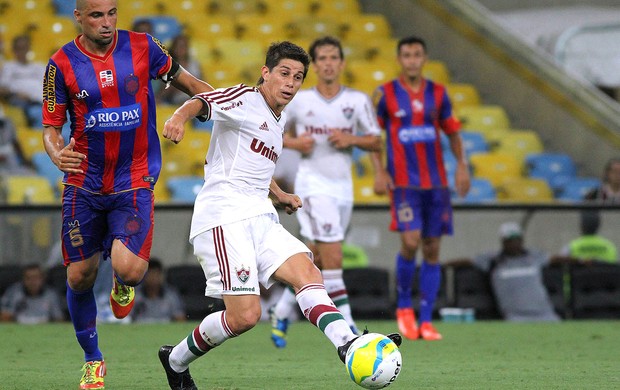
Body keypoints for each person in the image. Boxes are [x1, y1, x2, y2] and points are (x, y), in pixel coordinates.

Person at [157, 41, 401, 389]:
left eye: (298, 77)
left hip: (260, 214)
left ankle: (347, 345)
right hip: (223, 216)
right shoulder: (244, 98)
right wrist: (178, 117)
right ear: (266, 73)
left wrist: (280, 194)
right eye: (284, 73)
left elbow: (255, 163)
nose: (290, 82)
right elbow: (204, 100)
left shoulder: (279, 118)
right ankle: (176, 360)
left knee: (308, 270)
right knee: (245, 318)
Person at [40, 1, 213, 389]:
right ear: (79, 17)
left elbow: (189, 82)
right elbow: (51, 127)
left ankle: (121, 282)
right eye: (97, 15)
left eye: (112, 13)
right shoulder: (60, 65)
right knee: (80, 277)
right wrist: (55, 153)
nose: (107, 22)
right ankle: (93, 359)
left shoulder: (143, 47)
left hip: (133, 177)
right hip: (83, 182)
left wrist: (221, 104)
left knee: (132, 270)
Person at [268, 36, 382, 348]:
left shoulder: (356, 101)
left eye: (334, 57)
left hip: (343, 187)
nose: (329, 63)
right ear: (315, 66)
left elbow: (376, 140)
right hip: (312, 186)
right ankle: (350, 332)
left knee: (315, 256)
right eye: (323, 59)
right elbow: (273, 130)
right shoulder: (301, 100)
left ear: (342, 63)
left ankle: (281, 310)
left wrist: (351, 140)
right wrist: (294, 143)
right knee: (333, 259)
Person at [371, 35, 470, 340]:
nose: (412, 60)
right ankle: (403, 307)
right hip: (403, 184)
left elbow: (452, 133)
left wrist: (462, 165)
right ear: (399, 59)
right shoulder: (385, 94)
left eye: (417, 55)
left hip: (436, 185)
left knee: (432, 249)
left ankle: (425, 319)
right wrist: (379, 171)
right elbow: (374, 137)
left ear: (424, 58)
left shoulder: (439, 94)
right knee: (411, 242)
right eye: (407, 55)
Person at [448, 222, 563, 322]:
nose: (514, 243)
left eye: (517, 239)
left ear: (522, 239)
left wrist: (579, 260)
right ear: (503, 241)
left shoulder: (534, 256)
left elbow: (555, 259)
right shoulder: (493, 260)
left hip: (546, 314)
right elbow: (468, 261)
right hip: (516, 317)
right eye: (510, 240)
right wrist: (437, 265)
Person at [0, 35, 47, 126]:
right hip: (25, 102)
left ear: (28, 48)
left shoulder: (39, 67)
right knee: (39, 114)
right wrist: (16, 94)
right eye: (19, 48)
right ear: (14, 50)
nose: (22, 51)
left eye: (24, 48)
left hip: (44, 101)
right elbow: (2, 89)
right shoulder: (8, 67)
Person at [0, 263, 65, 324]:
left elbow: (59, 320)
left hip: (44, 329)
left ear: (42, 278)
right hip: (18, 328)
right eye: (29, 278)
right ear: (23, 279)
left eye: (36, 278)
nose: (32, 282)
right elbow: (4, 318)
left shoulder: (51, 294)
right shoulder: (14, 292)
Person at [131, 258, 186, 323]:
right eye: (150, 274)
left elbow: (181, 319)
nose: (153, 278)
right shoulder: (135, 295)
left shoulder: (171, 296)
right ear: (143, 276)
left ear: (161, 276)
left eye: (156, 274)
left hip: (166, 331)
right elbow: (126, 318)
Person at [156, 34, 203, 106]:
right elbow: (167, 88)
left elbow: (202, 82)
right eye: (178, 46)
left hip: (196, 97)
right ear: (173, 48)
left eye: (183, 46)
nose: (180, 48)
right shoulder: (168, 65)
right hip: (179, 100)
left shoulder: (194, 64)